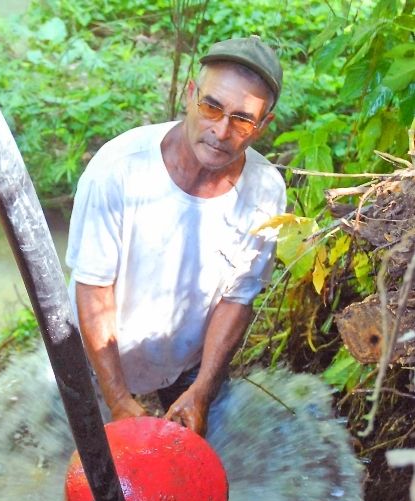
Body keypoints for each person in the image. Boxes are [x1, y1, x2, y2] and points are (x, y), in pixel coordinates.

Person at [66, 36, 286, 436]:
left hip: (184, 364)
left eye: (242, 119)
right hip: (95, 359)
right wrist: (118, 399)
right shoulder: (119, 170)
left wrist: (202, 390)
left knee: (189, 477)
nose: (221, 130)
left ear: (263, 125)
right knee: (89, 477)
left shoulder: (265, 191)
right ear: (190, 94)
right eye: (211, 106)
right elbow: (93, 288)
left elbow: (237, 299)